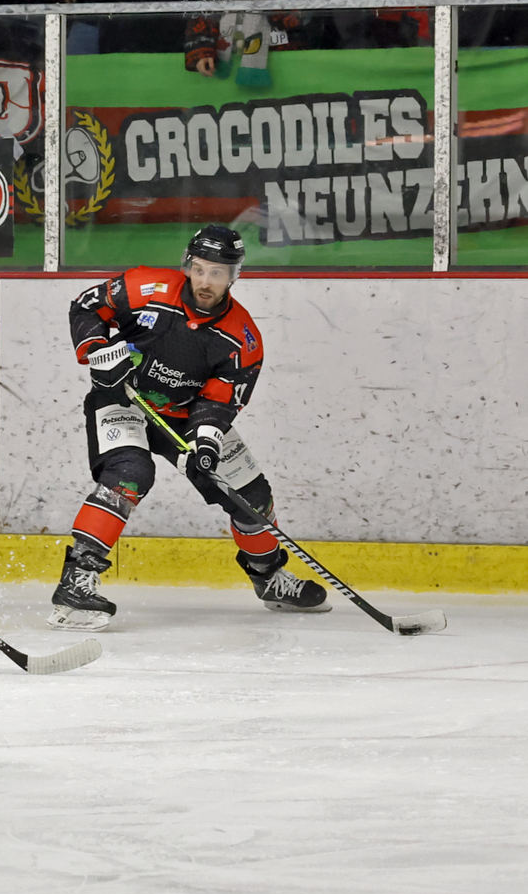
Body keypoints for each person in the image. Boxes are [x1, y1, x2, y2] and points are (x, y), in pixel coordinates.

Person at [49, 225, 329, 632]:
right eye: (199, 269)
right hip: (123, 397)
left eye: (217, 273)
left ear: (234, 276)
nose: (205, 281)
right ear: (187, 265)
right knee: (129, 474)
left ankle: (268, 577)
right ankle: (76, 581)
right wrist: (97, 351)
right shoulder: (145, 287)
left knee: (252, 498)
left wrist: (206, 442)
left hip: (183, 415)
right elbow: (86, 307)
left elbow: (220, 400)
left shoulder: (242, 338)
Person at [185, 0, 321, 89]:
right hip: (225, 66)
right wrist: (202, 50)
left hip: (286, 64)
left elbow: (307, 16)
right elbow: (206, 3)